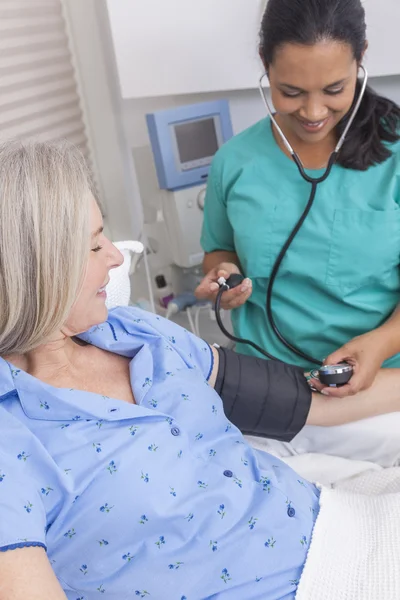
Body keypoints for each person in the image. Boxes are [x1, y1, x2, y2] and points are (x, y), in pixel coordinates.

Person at [1, 140, 400, 599]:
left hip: (335, 524)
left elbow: (297, 400)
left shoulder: (139, 335)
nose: (114, 257)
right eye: (94, 246)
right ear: (36, 271)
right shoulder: (10, 432)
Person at [196, 0, 400, 465]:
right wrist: (223, 276)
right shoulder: (235, 160)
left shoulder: (396, 156)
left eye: (334, 89)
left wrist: (382, 342)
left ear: (361, 57)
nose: (312, 111)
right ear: (266, 66)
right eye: (290, 91)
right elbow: (219, 250)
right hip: (263, 393)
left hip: (379, 391)